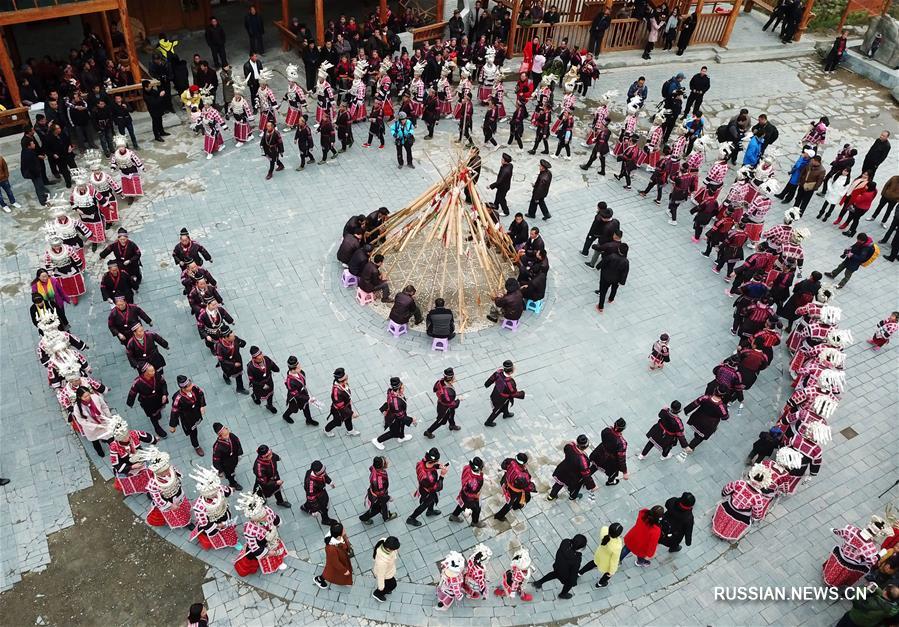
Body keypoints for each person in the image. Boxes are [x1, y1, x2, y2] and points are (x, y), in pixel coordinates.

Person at [533, 535, 587, 599]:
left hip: (558, 567)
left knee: (552, 574)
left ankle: (538, 582)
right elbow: (573, 573)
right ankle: (563, 594)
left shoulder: (565, 542)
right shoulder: (576, 559)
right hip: (565, 575)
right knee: (568, 585)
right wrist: (573, 582)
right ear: (579, 548)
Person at [372, 377, 415, 450]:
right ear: (399, 389)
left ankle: (402, 437)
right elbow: (401, 417)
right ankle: (378, 441)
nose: (404, 388)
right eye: (402, 387)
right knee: (393, 432)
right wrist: (411, 420)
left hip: (398, 414)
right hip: (394, 418)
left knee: (402, 425)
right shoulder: (396, 404)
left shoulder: (391, 391)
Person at [548, 434, 595, 500]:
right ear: (586, 446)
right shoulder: (583, 460)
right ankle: (572, 496)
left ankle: (551, 496)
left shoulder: (569, 447)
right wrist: (592, 486)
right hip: (572, 476)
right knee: (574, 488)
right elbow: (586, 474)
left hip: (563, 470)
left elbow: (567, 447)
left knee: (558, 484)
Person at [169, 375, 206, 456]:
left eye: (190, 383)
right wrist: (173, 425)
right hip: (187, 417)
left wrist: (202, 405)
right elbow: (174, 411)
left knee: (196, 426)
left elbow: (201, 394)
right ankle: (196, 446)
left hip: (196, 412)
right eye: (189, 385)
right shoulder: (178, 398)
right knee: (193, 432)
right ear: (183, 388)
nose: (192, 385)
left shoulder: (194, 387)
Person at [493, 452, 536, 521]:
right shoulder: (523, 476)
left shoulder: (510, 461)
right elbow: (528, 487)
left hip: (506, 481)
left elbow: (503, 466)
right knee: (510, 503)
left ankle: (516, 506)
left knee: (515, 500)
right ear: (524, 463)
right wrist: (533, 484)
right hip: (514, 491)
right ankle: (499, 516)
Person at [579, 523, 623, 588]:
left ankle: (579, 573)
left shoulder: (604, 531)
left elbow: (605, 527)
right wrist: (612, 571)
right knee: (608, 574)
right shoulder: (617, 546)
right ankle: (600, 584)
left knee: (593, 563)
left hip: (599, 555)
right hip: (606, 562)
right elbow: (614, 560)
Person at [314, 522, 353, 589]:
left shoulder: (336, 535)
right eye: (343, 530)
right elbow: (335, 563)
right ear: (338, 536)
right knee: (330, 572)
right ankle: (320, 579)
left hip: (340, 559)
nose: (344, 530)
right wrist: (344, 570)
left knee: (332, 571)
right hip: (336, 562)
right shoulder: (331, 548)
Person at [424, 368, 461, 438]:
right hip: (444, 408)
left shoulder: (440, 381)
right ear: (452, 378)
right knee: (441, 421)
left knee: (451, 414)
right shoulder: (448, 392)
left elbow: (434, 389)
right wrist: (458, 400)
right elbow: (453, 405)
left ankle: (452, 425)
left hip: (442, 404)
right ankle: (428, 432)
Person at [449, 457, 485, 527]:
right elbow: (472, 492)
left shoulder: (467, 468)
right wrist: (476, 496)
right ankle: (475, 522)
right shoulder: (477, 481)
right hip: (471, 498)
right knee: (477, 509)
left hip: (463, 493)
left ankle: (454, 516)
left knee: (462, 504)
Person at [324, 367, 360, 437]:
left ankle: (350, 431)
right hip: (338, 411)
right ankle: (326, 430)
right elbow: (340, 406)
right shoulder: (336, 392)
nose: (347, 380)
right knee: (337, 422)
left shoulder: (342, 385)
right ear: (341, 381)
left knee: (348, 419)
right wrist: (352, 413)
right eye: (345, 379)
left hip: (346, 406)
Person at [595, 242, 629, 313]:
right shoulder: (626, 261)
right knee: (614, 289)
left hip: (606, 277)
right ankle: (611, 299)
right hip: (616, 279)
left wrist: (598, 267)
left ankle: (600, 307)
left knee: (603, 291)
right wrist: (622, 282)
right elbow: (625, 273)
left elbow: (604, 262)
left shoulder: (612, 256)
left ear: (619, 250)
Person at [210, 422, 243, 490]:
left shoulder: (232, 435)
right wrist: (220, 471)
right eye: (225, 435)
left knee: (233, 468)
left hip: (234, 459)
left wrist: (240, 454)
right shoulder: (217, 447)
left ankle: (233, 472)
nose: (228, 436)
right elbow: (216, 460)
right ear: (220, 436)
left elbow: (238, 443)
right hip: (226, 466)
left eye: (227, 433)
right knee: (230, 475)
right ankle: (233, 483)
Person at [246, 346, 279, 413]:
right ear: (254, 358)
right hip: (259, 385)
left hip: (269, 381)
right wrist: (262, 385)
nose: (261, 358)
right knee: (258, 394)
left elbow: (272, 364)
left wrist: (276, 369)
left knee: (270, 393)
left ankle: (269, 405)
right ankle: (254, 396)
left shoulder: (266, 359)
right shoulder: (250, 367)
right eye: (258, 358)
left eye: (261, 355)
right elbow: (252, 380)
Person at [371, 536, 401, 602]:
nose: (395, 550)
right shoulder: (382, 562)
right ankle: (377, 594)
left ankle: (385, 590)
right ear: (388, 548)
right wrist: (381, 587)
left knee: (390, 585)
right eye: (394, 549)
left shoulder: (384, 541)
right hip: (386, 575)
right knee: (393, 585)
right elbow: (380, 575)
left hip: (388, 571)